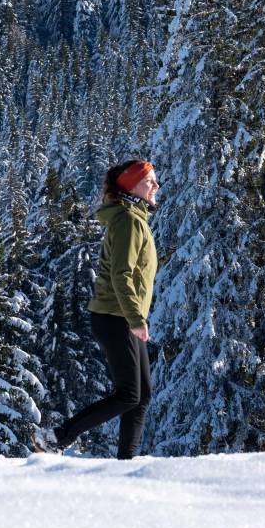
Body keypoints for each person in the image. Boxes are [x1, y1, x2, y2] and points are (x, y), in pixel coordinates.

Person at [33, 159, 160, 459]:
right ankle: (57, 437)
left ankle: (126, 462)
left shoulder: (134, 219)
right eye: (149, 181)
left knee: (141, 395)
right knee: (129, 394)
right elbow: (121, 274)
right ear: (132, 188)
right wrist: (135, 318)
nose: (156, 185)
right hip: (116, 317)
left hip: (122, 316)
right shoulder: (129, 221)